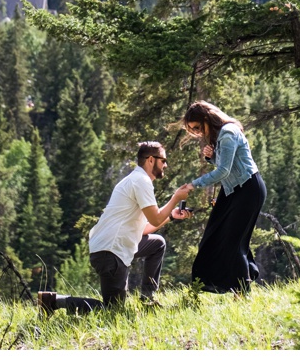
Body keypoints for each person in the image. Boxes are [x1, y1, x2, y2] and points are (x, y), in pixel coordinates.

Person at [38, 141, 193, 315]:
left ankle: (147, 298)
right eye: (163, 160)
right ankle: (53, 301)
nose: (166, 165)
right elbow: (155, 217)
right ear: (150, 160)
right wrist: (175, 197)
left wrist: (171, 216)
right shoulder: (141, 181)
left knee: (158, 244)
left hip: (114, 246)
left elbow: (144, 229)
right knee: (113, 311)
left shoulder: (137, 180)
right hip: (110, 252)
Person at [182, 100, 266, 294]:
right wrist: (212, 157)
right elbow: (228, 166)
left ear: (205, 119)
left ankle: (242, 291)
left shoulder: (228, 133)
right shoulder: (222, 134)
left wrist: (194, 184)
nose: (197, 132)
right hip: (234, 191)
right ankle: (245, 276)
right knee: (216, 236)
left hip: (248, 189)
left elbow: (224, 171)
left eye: (196, 127)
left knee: (233, 242)